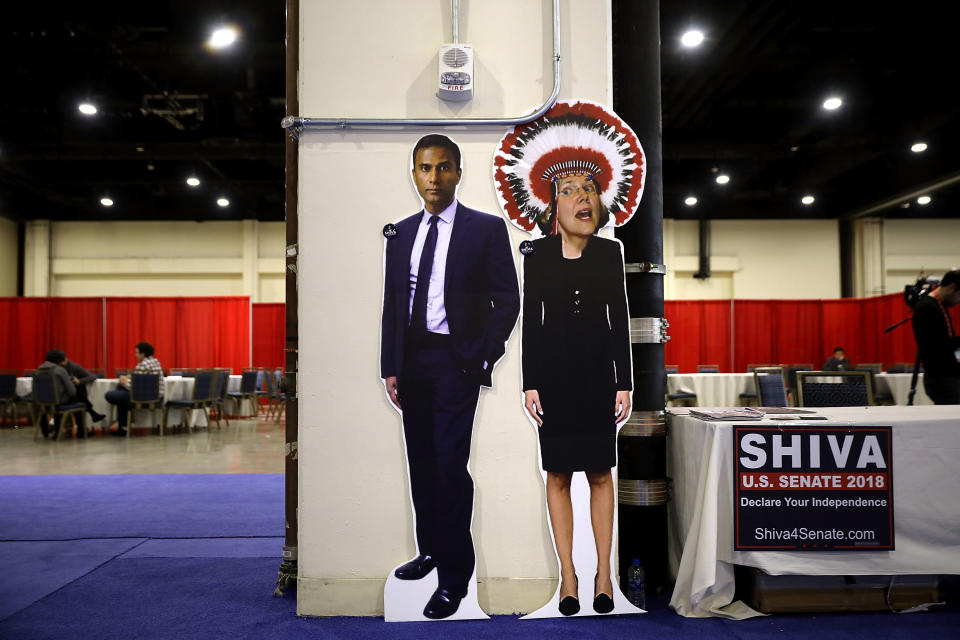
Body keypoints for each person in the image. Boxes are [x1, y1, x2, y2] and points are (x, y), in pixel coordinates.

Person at [380, 134, 520, 619]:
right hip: (411, 364)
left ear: (458, 173)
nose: (433, 177)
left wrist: (483, 356)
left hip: (455, 363)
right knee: (420, 462)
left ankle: (455, 578)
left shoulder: (484, 229)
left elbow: (508, 299)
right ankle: (432, 549)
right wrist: (390, 367)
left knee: (448, 469)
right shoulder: (400, 233)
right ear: (414, 174)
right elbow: (393, 302)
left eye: (442, 168)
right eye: (424, 168)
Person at [522, 170, 632, 616]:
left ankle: (604, 575)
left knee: (601, 474)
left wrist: (624, 381)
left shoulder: (610, 253)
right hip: (553, 379)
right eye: (568, 191)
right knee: (559, 476)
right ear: (554, 210)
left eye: (588, 189)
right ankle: (569, 577)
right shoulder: (539, 253)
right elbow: (531, 319)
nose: (582, 196)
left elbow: (620, 318)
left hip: (597, 379)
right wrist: (529, 382)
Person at [911, 270, 960, 404]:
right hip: (941, 378)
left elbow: (945, 341)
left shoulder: (939, 306)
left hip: (946, 376)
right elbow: (935, 348)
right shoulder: (927, 308)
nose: (959, 301)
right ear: (952, 287)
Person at [105, 342, 165, 436]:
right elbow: (139, 377)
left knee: (110, 395)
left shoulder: (143, 364)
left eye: (137, 353)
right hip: (157, 399)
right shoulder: (156, 362)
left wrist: (124, 381)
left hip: (142, 399)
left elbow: (136, 387)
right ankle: (123, 427)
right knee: (122, 394)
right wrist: (128, 378)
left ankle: (123, 427)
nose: (135, 355)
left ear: (143, 354)